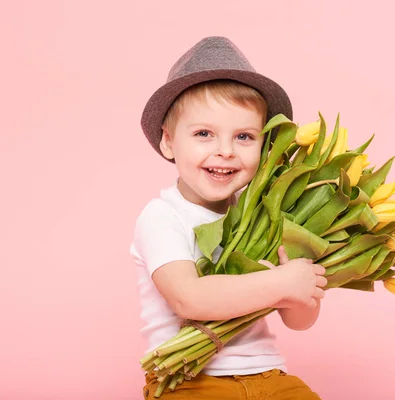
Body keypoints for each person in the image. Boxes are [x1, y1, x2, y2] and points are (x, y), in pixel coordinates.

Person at [131, 36, 327, 399]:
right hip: (192, 379)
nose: (225, 151)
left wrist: (305, 288)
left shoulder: (262, 214)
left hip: (268, 373)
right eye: (204, 134)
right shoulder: (162, 216)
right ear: (168, 142)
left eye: (244, 136)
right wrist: (282, 284)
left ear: (266, 145)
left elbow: (299, 321)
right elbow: (188, 298)